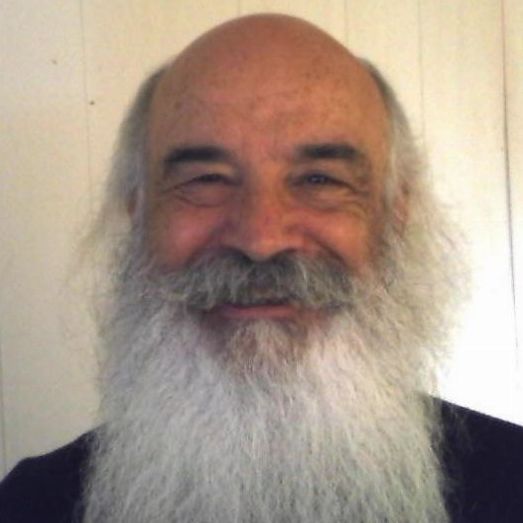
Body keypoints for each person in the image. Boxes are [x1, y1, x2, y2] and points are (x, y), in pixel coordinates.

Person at [1, 13, 522, 523]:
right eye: (205, 179)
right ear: (139, 214)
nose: (260, 239)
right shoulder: (30, 505)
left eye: (320, 180)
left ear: (395, 216)